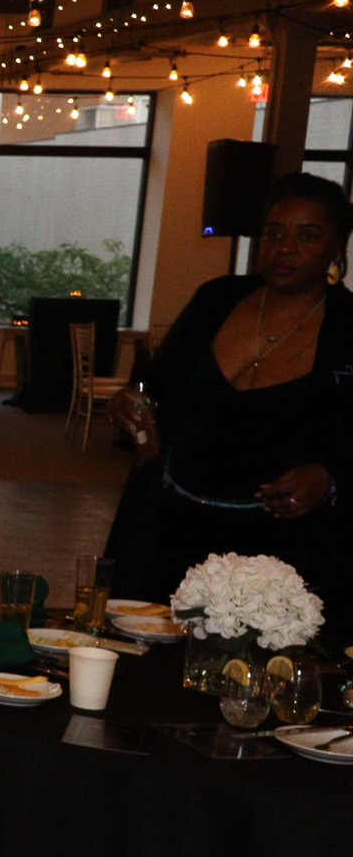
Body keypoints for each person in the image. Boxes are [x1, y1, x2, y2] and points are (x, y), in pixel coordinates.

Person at [107, 171, 353, 625]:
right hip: (169, 527)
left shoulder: (350, 329)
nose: (285, 248)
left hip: (281, 552)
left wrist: (331, 479)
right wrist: (134, 402)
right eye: (274, 233)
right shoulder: (216, 299)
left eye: (307, 236)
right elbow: (152, 385)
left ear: (337, 246)